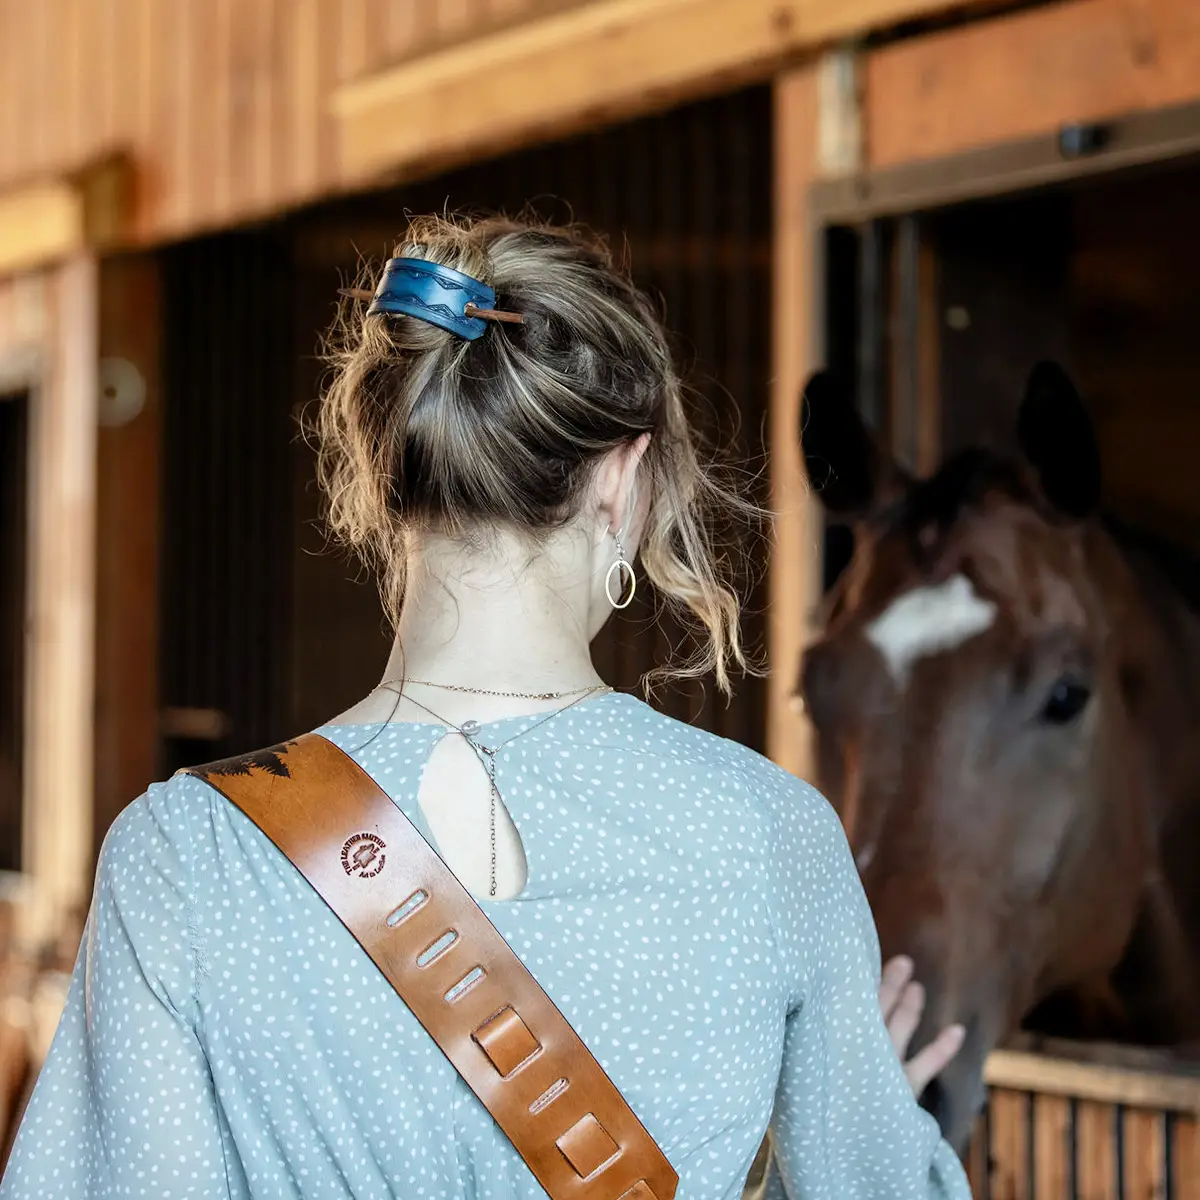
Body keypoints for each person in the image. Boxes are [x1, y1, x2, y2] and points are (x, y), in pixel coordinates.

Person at [0, 215, 971, 1199]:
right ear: (623, 481)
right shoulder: (772, 839)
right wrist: (864, 1126)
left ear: (388, 473)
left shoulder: (182, 857)